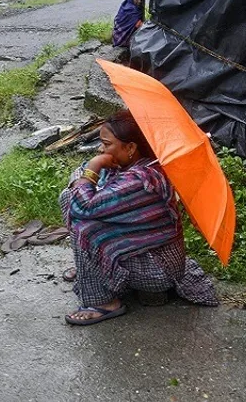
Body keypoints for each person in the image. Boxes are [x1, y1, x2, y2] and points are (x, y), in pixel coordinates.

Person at [58, 110, 218, 325]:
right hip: (139, 252)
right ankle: (91, 269)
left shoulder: (140, 181)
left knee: (84, 224)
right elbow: (80, 183)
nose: (100, 149)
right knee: (70, 198)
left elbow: (84, 204)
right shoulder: (128, 166)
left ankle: (104, 302)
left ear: (131, 147)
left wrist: (93, 167)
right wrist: (90, 171)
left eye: (106, 144)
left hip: (157, 269)